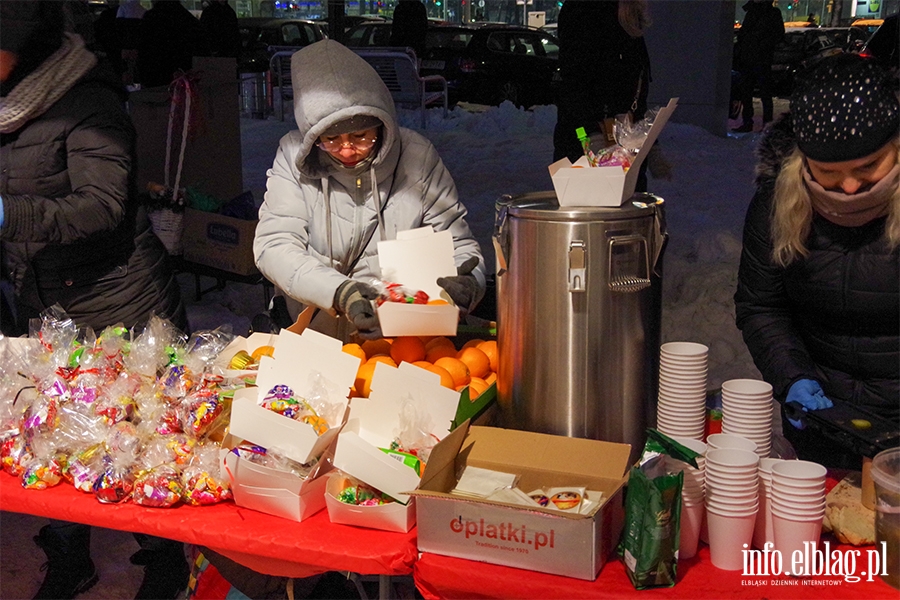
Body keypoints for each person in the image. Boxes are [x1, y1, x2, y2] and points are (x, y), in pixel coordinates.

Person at [0, 2, 189, 598]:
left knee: (142, 434)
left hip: (120, 298)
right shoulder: (6, 107)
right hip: (48, 297)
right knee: (56, 433)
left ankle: (164, 562)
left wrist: (10, 214)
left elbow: (103, 206)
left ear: (20, 48)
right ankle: (67, 555)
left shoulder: (87, 99)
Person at [253, 39, 486, 341]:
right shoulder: (292, 156)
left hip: (399, 340)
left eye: (361, 136)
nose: (347, 150)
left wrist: (471, 281)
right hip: (315, 337)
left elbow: (458, 244)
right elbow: (274, 245)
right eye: (331, 140)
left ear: (381, 123)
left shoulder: (417, 158)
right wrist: (337, 291)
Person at [734, 54, 899, 469]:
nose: (848, 186)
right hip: (823, 420)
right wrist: (793, 376)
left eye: (867, 166)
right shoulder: (777, 204)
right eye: (828, 170)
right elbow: (761, 305)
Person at [552, 0, 652, 177]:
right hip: (586, 146)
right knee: (590, 199)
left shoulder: (629, 16)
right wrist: (590, 134)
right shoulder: (585, 11)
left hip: (623, 148)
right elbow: (573, 84)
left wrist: (650, 142)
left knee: (624, 198)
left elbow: (637, 85)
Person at [732, 0, 784, 133]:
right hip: (755, 58)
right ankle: (757, 123)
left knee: (759, 93)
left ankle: (758, 123)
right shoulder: (759, 12)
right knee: (752, 93)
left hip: (757, 58)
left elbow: (778, 35)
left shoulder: (763, 13)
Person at [137, 0, 210, 88]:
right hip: (187, 84)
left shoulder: (150, 19)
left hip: (156, 84)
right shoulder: (190, 21)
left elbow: (143, 55)